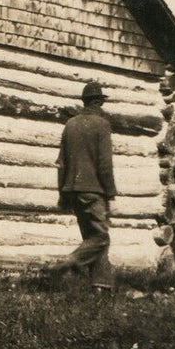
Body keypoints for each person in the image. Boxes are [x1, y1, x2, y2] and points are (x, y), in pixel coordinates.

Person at [53, 81, 117, 290]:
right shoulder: (102, 125)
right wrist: (111, 194)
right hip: (94, 190)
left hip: (72, 189)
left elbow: (61, 163)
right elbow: (104, 164)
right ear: (99, 102)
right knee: (100, 237)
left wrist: (62, 193)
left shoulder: (70, 124)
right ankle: (68, 263)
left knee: (91, 238)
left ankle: (101, 285)